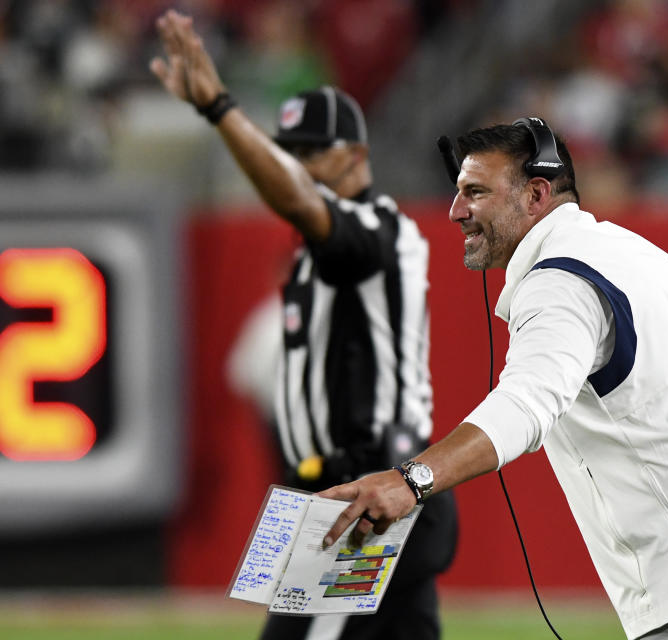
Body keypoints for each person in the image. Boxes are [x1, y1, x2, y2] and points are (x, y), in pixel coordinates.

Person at [318, 118, 668, 640]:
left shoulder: (557, 281)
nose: (457, 210)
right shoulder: (625, 249)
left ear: (535, 195)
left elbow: (525, 406)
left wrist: (410, 481)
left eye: (476, 191)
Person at [150, 10, 457, 640]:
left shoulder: (383, 229)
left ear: (357, 156)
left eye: (313, 151)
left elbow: (298, 200)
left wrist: (218, 109)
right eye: (289, 153)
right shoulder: (312, 259)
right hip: (325, 489)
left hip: (370, 486)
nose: (298, 166)